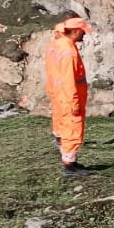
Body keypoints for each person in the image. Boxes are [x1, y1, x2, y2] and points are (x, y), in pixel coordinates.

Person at [44, 16, 94, 177]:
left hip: (57, 94)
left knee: (62, 125)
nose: (84, 35)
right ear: (74, 32)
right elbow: (69, 80)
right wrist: (74, 103)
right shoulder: (69, 52)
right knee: (73, 128)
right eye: (82, 32)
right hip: (68, 96)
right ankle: (69, 165)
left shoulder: (56, 44)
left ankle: (66, 155)